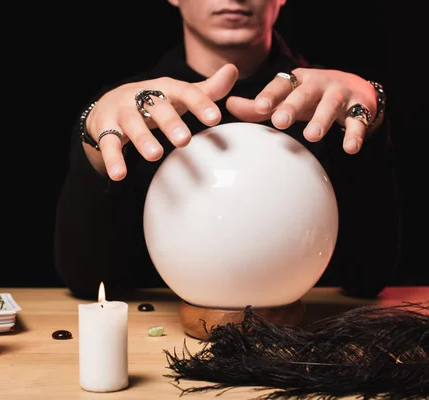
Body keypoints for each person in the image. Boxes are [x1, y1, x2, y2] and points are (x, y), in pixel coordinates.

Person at [54, 0, 401, 300]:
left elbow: (367, 278)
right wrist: (93, 136)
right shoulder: (126, 112)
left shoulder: (335, 104)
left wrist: (373, 117)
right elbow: (88, 281)